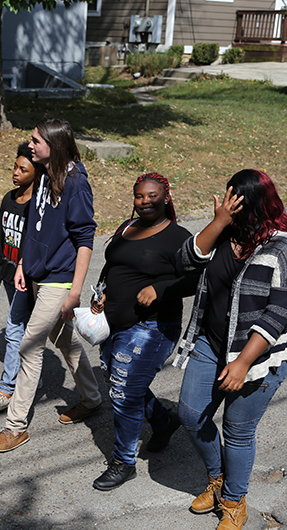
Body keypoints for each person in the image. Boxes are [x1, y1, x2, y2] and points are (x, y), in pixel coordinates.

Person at [173, 169, 287, 530]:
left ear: (257, 206)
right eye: (226, 199)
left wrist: (243, 363)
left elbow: (278, 313)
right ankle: (217, 480)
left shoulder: (285, 246)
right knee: (190, 413)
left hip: (259, 356)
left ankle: (234, 501)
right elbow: (185, 261)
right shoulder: (224, 233)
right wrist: (218, 223)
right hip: (210, 342)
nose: (229, 207)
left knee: (238, 429)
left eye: (236, 203)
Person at [0, 118, 101, 453]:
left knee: (29, 346)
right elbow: (33, 228)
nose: (30, 144)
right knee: (62, 338)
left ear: (54, 144)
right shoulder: (43, 174)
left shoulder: (75, 182)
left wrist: (75, 290)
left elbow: (85, 239)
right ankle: (92, 397)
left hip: (61, 279)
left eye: (36, 140)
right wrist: (23, 264)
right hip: (37, 274)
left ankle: (16, 426)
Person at [89, 173, 198, 491]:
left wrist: (160, 288)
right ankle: (164, 421)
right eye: (139, 196)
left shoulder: (179, 238)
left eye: (152, 195)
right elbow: (113, 264)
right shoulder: (127, 227)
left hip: (152, 327)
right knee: (120, 379)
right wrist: (102, 293)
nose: (145, 201)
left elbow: (196, 279)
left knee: (123, 392)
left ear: (166, 197)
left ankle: (123, 462)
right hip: (115, 321)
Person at [0, 143, 44, 411]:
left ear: (37, 174)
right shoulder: (9, 199)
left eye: (23, 169)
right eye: (15, 167)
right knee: (28, 327)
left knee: (14, 328)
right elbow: (0, 239)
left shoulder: (38, 207)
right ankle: (33, 377)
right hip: (9, 275)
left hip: (27, 277)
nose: (15, 173)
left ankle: (7, 389)